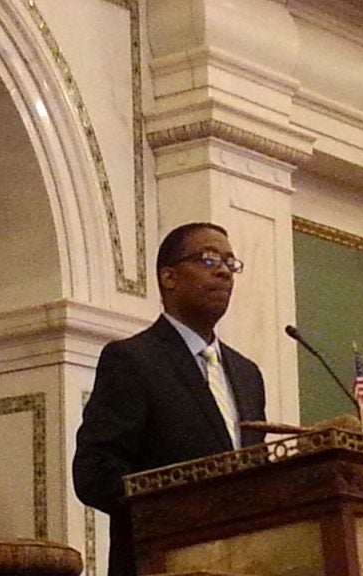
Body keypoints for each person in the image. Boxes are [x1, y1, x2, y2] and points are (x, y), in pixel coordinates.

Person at [73, 222, 267, 576]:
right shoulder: (133, 360)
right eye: (208, 259)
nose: (224, 271)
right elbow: (95, 473)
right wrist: (182, 509)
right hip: (161, 562)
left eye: (230, 262)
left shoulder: (248, 374)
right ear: (169, 277)